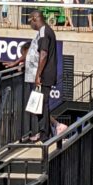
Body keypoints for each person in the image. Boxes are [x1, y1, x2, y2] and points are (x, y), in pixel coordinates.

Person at [8, 10, 59, 141]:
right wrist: (16, 62)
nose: (30, 24)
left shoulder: (44, 32)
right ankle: (43, 133)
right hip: (41, 75)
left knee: (42, 104)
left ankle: (44, 135)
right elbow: (31, 51)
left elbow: (43, 54)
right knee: (39, 105)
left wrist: (38, 75)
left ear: (35, 19)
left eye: (30, 21)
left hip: (44, 75)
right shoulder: (41, 33)